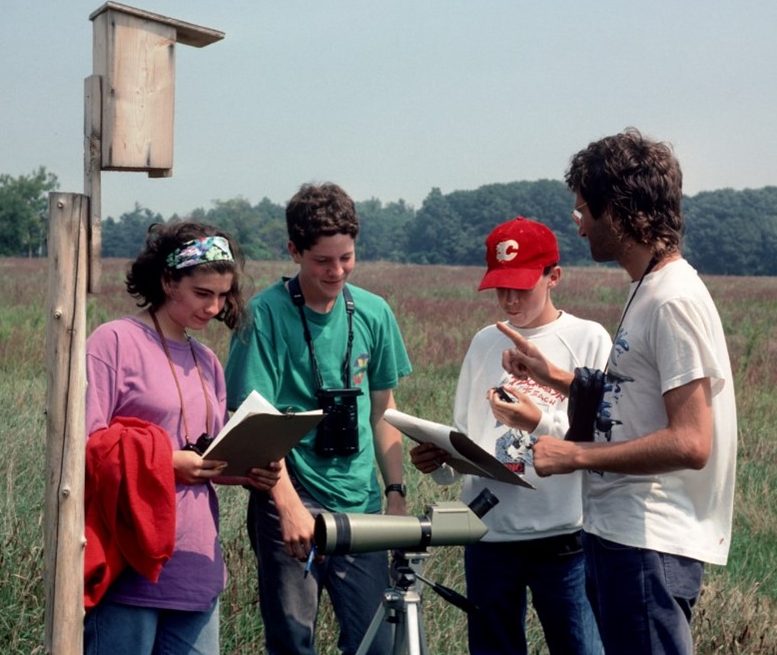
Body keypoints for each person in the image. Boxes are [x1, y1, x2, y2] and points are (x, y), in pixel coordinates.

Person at [499, 128, 738, 655]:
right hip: (620, 535)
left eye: (584, 208)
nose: (577, 222)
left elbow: (691, 441)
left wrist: (575, 454)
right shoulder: (648, 288)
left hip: (648, 542)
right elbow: (635, 399)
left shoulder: (673, 299)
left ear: (623, 213)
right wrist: (553, 377)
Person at [224, 182, 412, 655]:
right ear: (294, 250)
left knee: (375, 639)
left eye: (346, 258)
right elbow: (255, 420)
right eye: (322, 261)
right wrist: (286, 506)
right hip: (291, 495)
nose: (337, 271)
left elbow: (382, 410)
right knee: (292, 638)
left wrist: (395, 493)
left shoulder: (373, 311)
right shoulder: (264, 315)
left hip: (361, 502)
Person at [409, 216, 608, 655]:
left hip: (564, 535)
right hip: (489, 535)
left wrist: (539, 421)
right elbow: (468, 434)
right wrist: (439, 461)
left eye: (522, 286)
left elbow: (603, 439)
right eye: (500, 287)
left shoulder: (587, 339)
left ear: (553, 277)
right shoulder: (483, 343)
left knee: (580, 646)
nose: (510, 299)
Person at [84, 222, 280, 655]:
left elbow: (203, 456)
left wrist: (247, 469)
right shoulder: (113, 342)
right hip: (130, 566)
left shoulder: (208, 360)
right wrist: (169, 463)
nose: (214, 307)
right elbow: (87, 447)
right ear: (168, 281)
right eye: (202, 293)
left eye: (223, 295)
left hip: (196, 568)